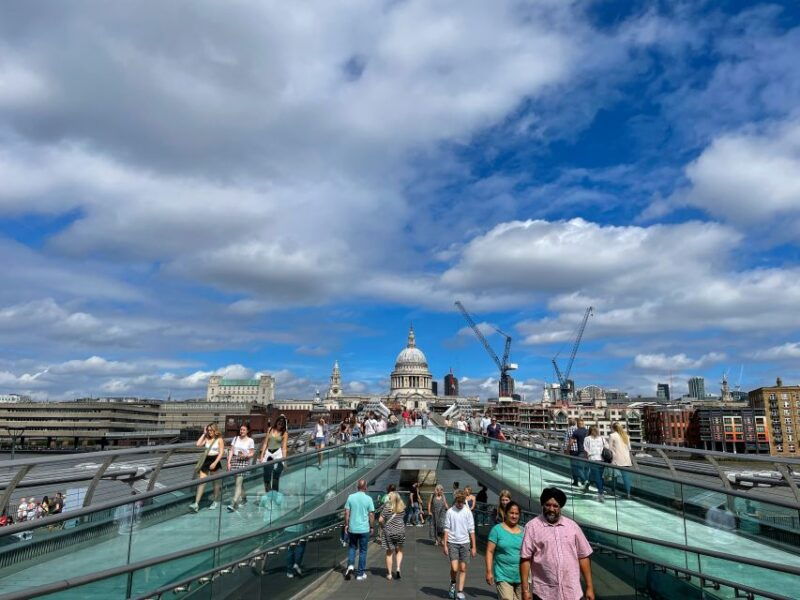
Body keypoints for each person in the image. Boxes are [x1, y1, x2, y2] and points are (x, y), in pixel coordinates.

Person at [520, 488, 594, 600]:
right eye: (548, 505)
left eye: (555, 506)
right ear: (542, 505)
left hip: (572, 592)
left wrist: (589, 586)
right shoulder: (532, 527)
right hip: (544, 593)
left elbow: (583, 556)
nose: (551, 509)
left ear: (560, 507)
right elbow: (525, 559)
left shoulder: (572, 527)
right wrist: (525, 590)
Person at [486, 500, 524, 600]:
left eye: (516, 514)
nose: (514, 516)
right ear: (506, 513)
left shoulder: (524, 531)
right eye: (511, 513)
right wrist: (489, 571)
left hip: (521, 576)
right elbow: (490, 551)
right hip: (503, 575)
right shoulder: (497, 530)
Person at [443, 490, 476, 600]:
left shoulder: (467, 512)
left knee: (463, 568)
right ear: (455, 500)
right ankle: (453, 582)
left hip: (465, 543)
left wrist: (474, 546)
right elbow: (446, 529)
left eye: (462, 502)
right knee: (454, 568)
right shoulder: (450, 512)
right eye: (458, 501)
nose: (460, 504)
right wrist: (445, 545)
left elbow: (471, 529)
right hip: (453, 542)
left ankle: (460, 591)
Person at [344, 479, 375, 581]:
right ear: (365, 487)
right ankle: (360, 574)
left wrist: (346, 525)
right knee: (363, 551)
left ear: (357, 487)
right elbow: (371, 514)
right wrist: (372, 527)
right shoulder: (369, 499)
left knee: (352, 547)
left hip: (352, 528)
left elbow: (346, 513)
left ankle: (350, 566)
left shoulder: (350, 497)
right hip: (364, 529)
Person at [189, 423, 224, 512]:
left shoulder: (219, 439)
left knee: (215, 482)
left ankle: (215, 501)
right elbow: (198, 444)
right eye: (208, 430)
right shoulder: (206, 438)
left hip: (214, 460)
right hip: (206, 460)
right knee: (202, 481)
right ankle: (196, 503)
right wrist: (204, 433)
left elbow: (221, 453)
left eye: (211, 430)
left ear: (215, 430)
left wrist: (215, 463)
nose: (209, 432)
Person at [226, 424, 255, 512]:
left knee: (238, 483)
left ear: (247, 431)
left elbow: (252, 453)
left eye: (243, 430)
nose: (241, 431)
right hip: (235, 460)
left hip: (243, 462)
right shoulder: (235, 438)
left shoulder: (250, 440)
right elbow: (231, 450)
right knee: (239, 483)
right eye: (241, 429)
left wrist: (246, 455)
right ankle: (244, 498)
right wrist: (228, 462)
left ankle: (234, 503)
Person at [379, 491, 406, 580]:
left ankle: (390, 574)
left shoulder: (387, 508)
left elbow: (380, 520)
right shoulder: (402, 508)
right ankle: (398, 568)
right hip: (400, 531)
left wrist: (383, 526)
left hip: (389, 532)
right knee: (399, 550)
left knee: (389, 553)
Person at [260, 414, 289, 492]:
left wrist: (284, 460)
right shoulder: (270, 429)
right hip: (268, 453)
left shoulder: (285, 433)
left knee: (276, 475)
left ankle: (275, 494)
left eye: (282, 423)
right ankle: (268, 493)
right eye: (279, 422)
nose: (280, 424)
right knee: (266, 475)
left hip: (278, 454)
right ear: (276, 421)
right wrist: (262, 456)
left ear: (284, 424)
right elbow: (265, 443)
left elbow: (284, 448)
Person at [583, 426, 607, 502]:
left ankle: (601, 493)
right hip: (602, 460)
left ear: (589, 431)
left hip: (593, 459)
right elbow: (607, 447)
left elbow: (585, 449)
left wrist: (587, 458)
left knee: (597, 477)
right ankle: (598, 489)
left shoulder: (587, 438)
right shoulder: (602, 438)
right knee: (600, 476)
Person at [608, 421, 633, 499]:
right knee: (626, 477)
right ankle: (628, 494)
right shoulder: (626, 436)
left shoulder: (612, 436)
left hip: (616, 459)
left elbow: (609, 448)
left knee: (614, 476)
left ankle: (613, 491)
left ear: (613, 428)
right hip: (626, 459)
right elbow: (629, 448)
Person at [569, 419, 589, 487]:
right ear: (583, 424)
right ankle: (587, 481)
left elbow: (571, 442)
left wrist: (567, 450)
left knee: (578, 467)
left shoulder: (576, 432)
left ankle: (584, 481)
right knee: (586, 468)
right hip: (589, 453)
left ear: (577, 424)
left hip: (581, 452)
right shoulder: (588, 431)